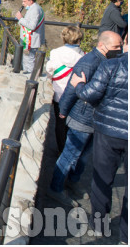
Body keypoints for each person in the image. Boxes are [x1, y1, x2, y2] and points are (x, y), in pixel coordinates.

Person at [49, 31, 122, 207]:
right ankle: (55, 189)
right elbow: (72, 88)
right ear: (102, 45)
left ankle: (73, 182)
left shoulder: (106, 61)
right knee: (70, 154)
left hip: (95, 119)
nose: (119, 50)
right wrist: (63, 111)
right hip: (82, 118)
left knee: (83, 156)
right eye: (116, 47)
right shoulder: (89, 62)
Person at [71, 47, 127, 243]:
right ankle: (126, 237)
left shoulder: (111, 65)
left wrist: (79, 85)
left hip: (108, 131)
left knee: (102, 178)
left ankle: (99, 225)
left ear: (126, 42)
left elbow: (89, 94)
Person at [45, 26, 84, 153]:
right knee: (73, 123)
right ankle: (70, 148)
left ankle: (61, 149)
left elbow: (49, 71)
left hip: (59, 92)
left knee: (60, 122)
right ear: (79, 39)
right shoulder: (83, 57)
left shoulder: (55, 53)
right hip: (76, 94)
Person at [15, 0, 45, 73]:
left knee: (29, 61)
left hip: (31, 40)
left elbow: (32, 26)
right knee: (26, 60)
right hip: (29, 39)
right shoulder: (33, 8)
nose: (23, 4)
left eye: (24, 1)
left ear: (30, 1)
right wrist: (20, 20)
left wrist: (21, 18)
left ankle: (29, 78)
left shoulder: (35, 9)